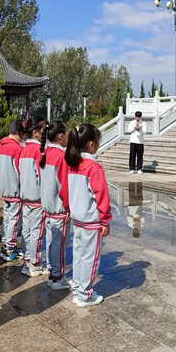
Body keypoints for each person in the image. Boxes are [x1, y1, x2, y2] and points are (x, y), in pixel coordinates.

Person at [65, 123, 112, 307]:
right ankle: (85, 295)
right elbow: (101, 196)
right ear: (92, 144)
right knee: (91, 259)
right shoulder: (93, 167)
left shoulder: (73, 165)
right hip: (91, 221)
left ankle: (78, 289)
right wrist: (105, 220)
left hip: (78, 219)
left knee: (78, 256)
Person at [40, 121, 71, 290]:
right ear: (61, 136)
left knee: (51, 241)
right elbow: (64, 186)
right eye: (67, 133)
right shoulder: (61, 156)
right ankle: (58, 278)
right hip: (59, 207)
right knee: (59, 245)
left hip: (47, 206)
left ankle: (52, 272)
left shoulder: (45, 153)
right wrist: (68, 206)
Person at [19, 116, 48, 277]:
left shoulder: (24, 149)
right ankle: (35, 264)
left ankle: (27, 262)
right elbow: (41, 176)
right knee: (37, 232)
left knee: (27, 231)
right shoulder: (38, 151)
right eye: (45, 129)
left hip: (25, 197)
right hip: (37, 198)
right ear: (36, 132)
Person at [0, 119, 25, 262]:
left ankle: (5, 245)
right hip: (15, 190)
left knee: (6, 218)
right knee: (14, 220)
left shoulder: (1, 147)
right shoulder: (17, 149)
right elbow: (21, 171)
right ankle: (10, 248)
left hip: (4, 189)